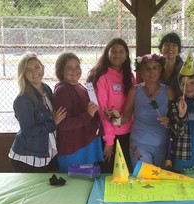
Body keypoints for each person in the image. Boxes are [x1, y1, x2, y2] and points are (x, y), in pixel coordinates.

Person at [8, 52, 66, 173]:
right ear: (23, 74)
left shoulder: (46, 88)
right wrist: (53, 122)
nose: (35, 72)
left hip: (46, 153)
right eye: (29, 70)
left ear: (43, 67)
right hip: (27, 158)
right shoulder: (23, 99)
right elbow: (29, 131)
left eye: (37, 67)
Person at [86, 38, 135, 173]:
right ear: (107, 53)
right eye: (113, 51)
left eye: (121, 51)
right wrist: (109, 141)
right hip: (110, 137)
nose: (117, 55)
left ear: (126, 55)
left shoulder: (130, 77)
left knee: (127, 174)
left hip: (129, 134)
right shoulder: (102, 77)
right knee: (109, 175)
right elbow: (102, 111)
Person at [52, 52, 103, 173]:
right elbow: (63, 124)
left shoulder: (80, 86)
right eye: (69, 68)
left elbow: (93, 115)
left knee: (87, 184)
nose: (74, 70)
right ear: (61, 70)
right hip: (73, 148)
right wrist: (88, 115)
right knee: (74, 185)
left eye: (77, 66)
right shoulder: (62, 90)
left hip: (86, 143)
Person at [120, 53, 173, 169]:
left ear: (160, 70)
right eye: (147, 69)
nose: (151, 72)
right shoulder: (135, 91)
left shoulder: (168, 91)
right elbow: (125, 117)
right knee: (144, 179)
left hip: (163, 144)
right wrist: (113, 118)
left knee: (160, 182)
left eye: (155, 68)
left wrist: (169, 121)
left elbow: (175, 119)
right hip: (139, 142)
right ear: (141, 72)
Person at [170, 71, 194, 172]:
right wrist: (181, 115)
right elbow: (178, 132)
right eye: (184, 84)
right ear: (179, 86)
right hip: (183, 155)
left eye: (192, 83)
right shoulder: (176, 105)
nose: (188, 87)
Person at [158, 32, 194, 99]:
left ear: (178, 50)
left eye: (174, 45)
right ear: (161, 48)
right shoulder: (156, 68)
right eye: (167, 44)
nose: (170, 47)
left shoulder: (185, 68)